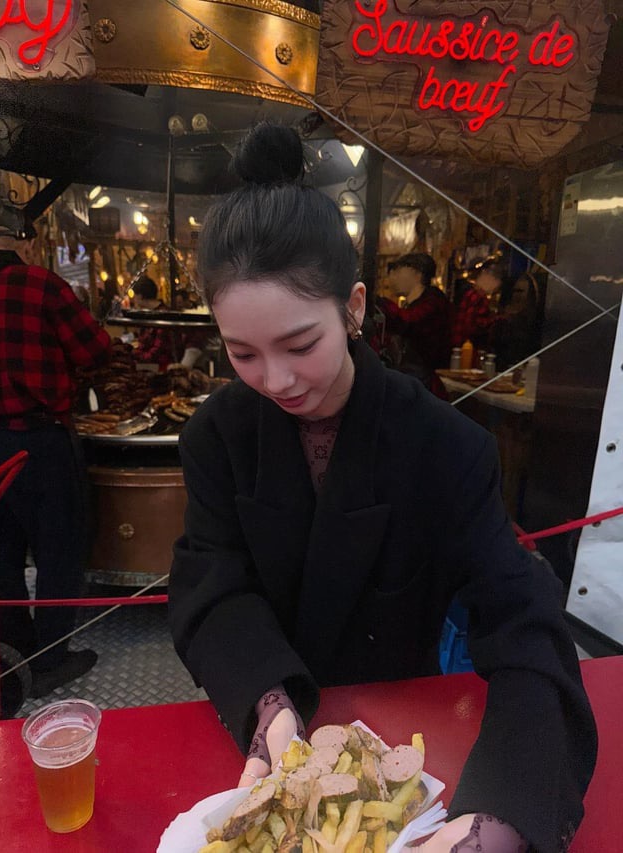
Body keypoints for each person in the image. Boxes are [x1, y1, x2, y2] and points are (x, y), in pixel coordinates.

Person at [168, 124, 596, 853]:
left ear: (354, 307)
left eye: (301, 344)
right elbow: (213, 582)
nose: (276, 380)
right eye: (242, 353)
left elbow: (524, 619)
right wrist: (270, 708)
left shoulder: (445, 444)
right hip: (263, 729)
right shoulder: (218, 434)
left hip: (406, 742)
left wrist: (500, 818)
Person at [0, 203, 112, 696]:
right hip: (38, 440)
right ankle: (49, 660)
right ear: (22, 239)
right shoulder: (38, 285)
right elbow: (95, 350)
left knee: (1, 552)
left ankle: (14, 650)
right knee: (59, 549)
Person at [375, 253, 452, 374]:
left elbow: (408, 322)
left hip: (428, 377)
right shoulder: (413, 304)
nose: (392, 276)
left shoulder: (433, 301)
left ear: (416, 273)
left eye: (398, 271)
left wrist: (379, 302)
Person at [131, 275, 176, 369]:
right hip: (149, 363)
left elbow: (158, 349)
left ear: (140, 296)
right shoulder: (148, 313)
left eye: (134, 295)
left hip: (160, 366)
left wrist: (136, 357)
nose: (134, 299)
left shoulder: (162, 315)